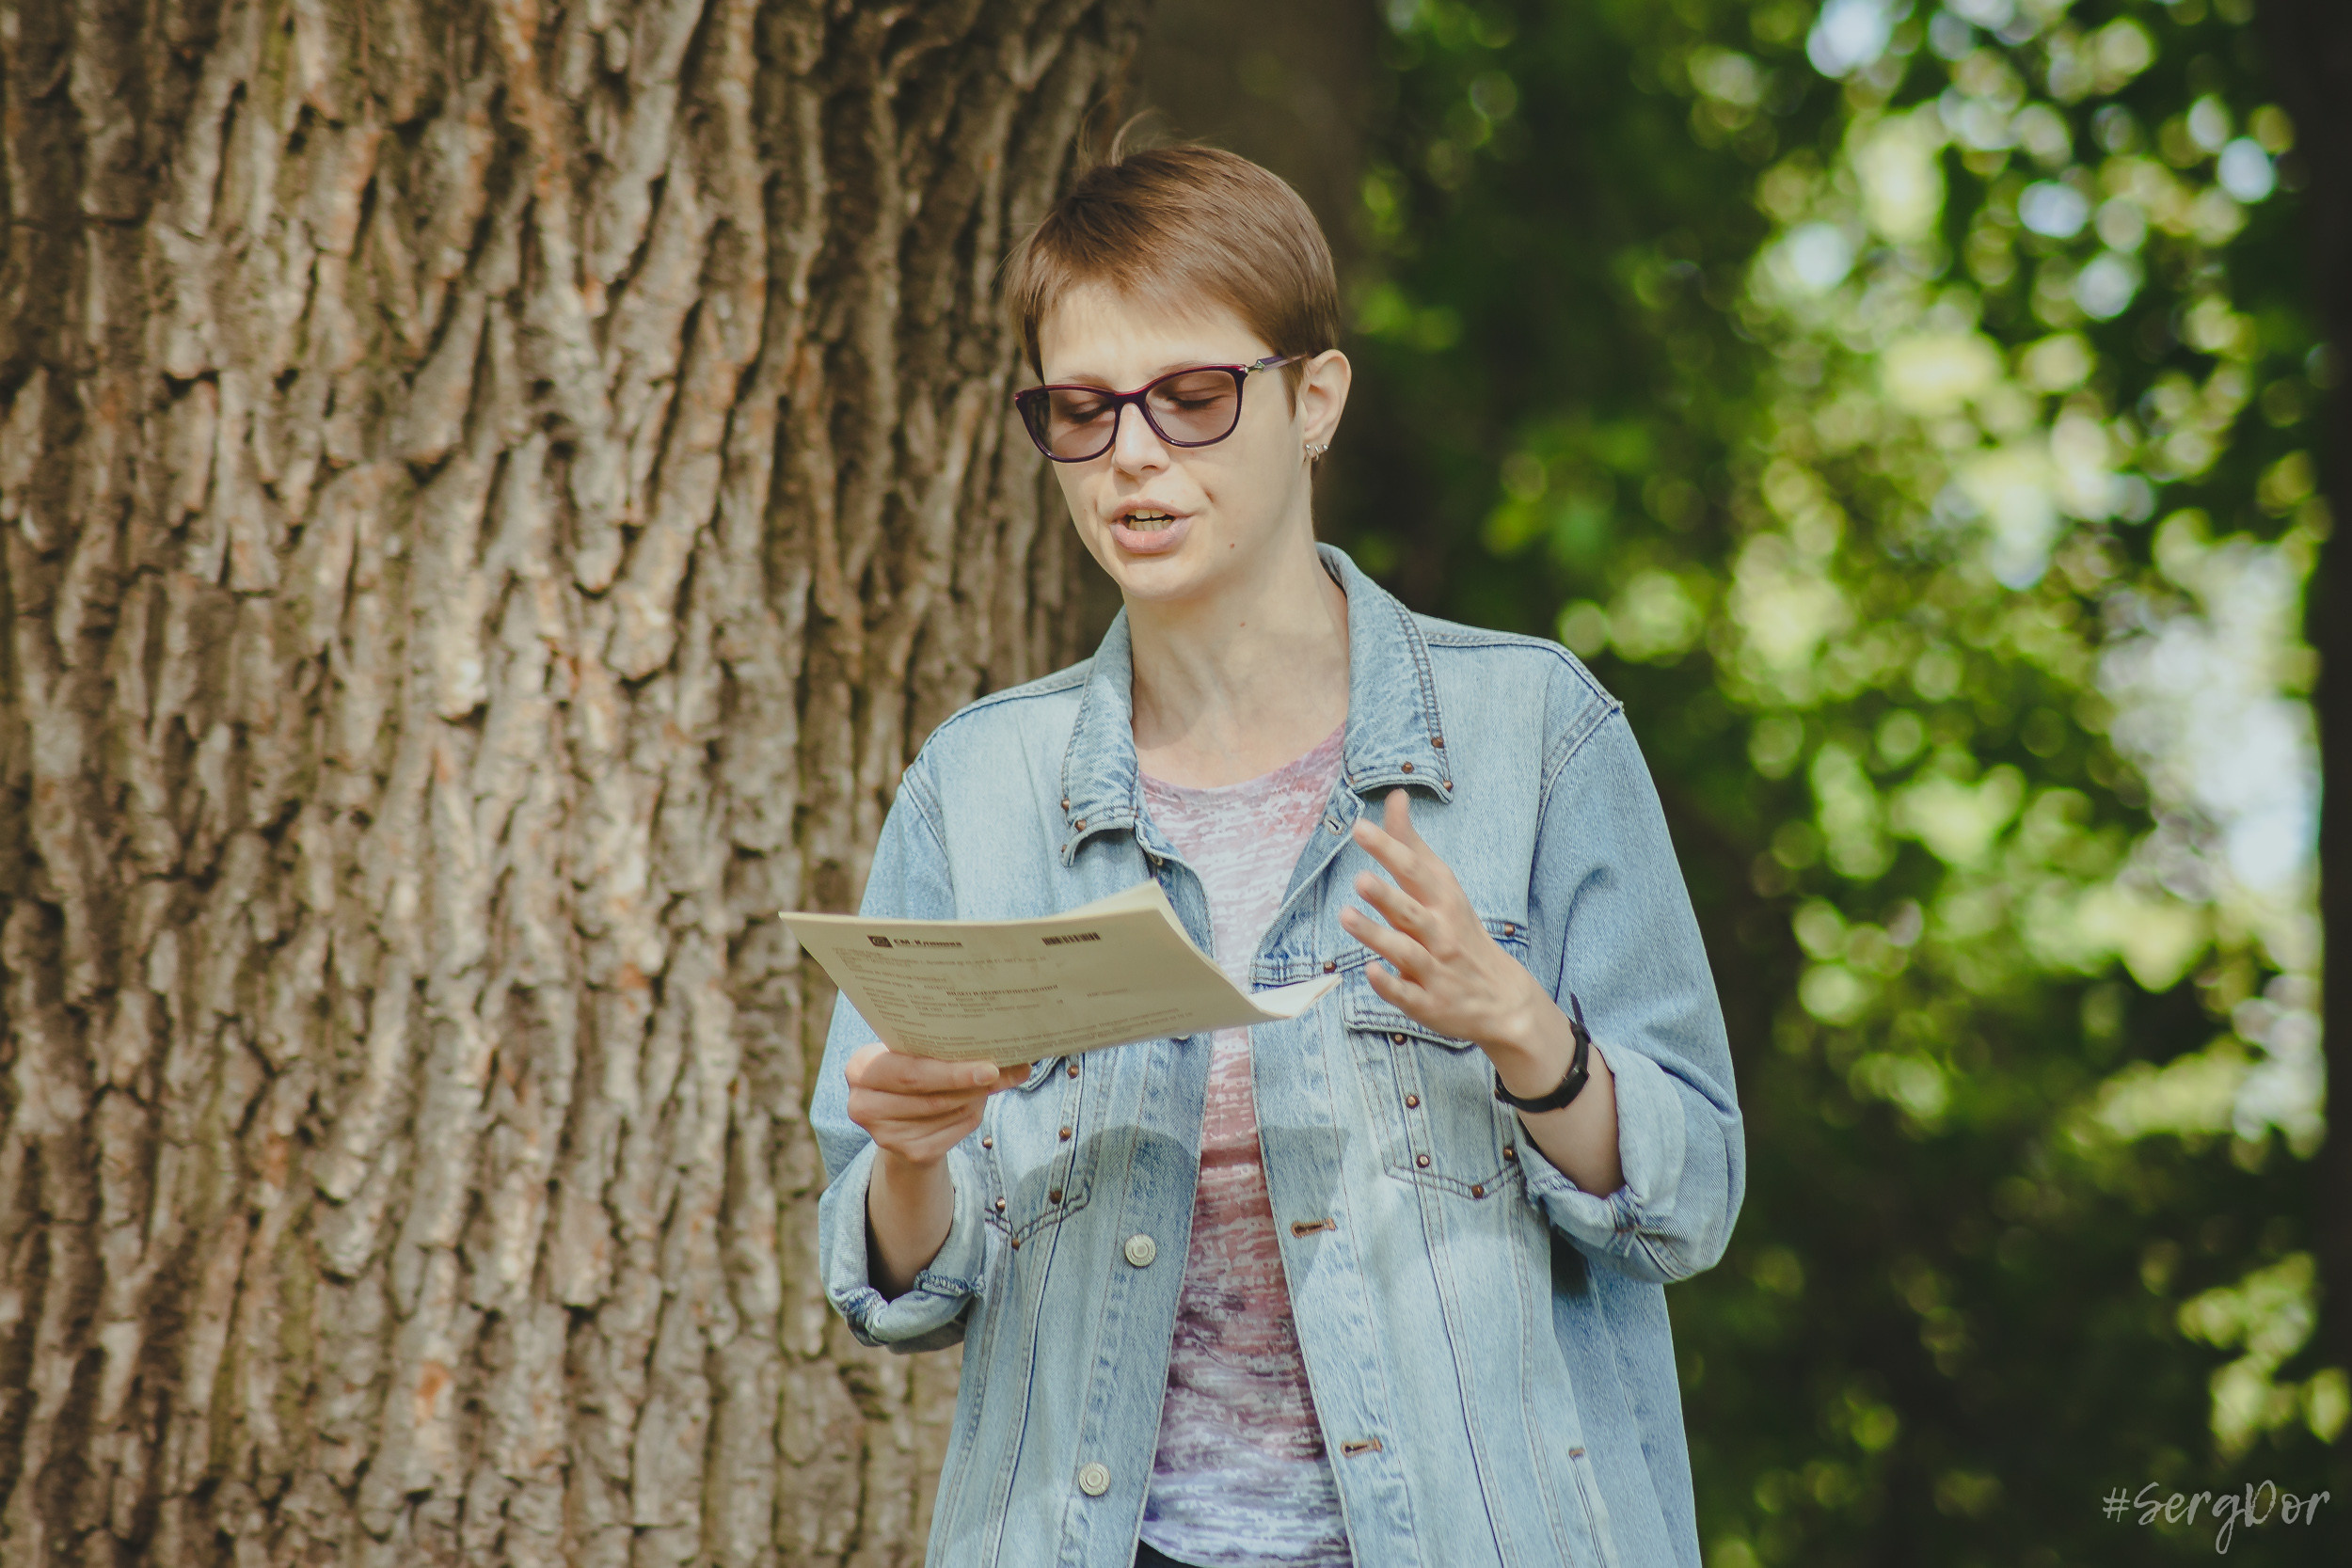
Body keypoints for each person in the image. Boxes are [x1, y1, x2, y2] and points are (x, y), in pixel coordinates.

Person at [811, 142, 1742, 1568]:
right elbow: (890, 1285)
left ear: (1314, 400)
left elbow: (1692, 1200)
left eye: (1191, 397)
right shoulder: (976, 787)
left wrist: (1524, 1033)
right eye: (1082, 408)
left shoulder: (1532, 734)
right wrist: (913, 1162)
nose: (1133, 452)